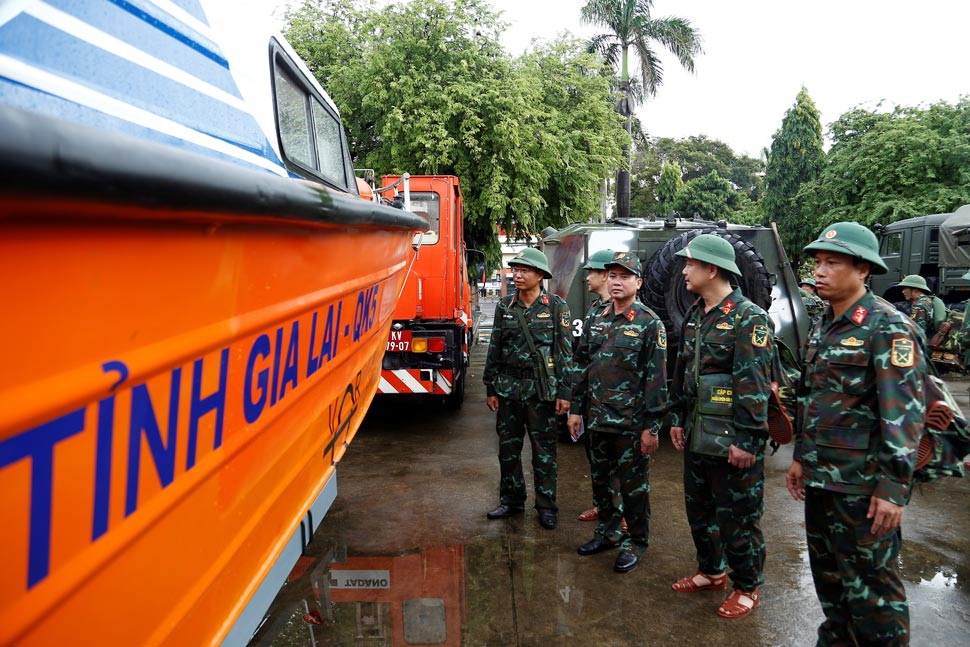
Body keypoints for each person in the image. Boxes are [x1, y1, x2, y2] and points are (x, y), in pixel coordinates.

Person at [786, 222, 925, 646]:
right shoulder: (824, 325)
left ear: (863, 269)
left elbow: (903, 417)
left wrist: (892, 488)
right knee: (832, 589)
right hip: (822, 482)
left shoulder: (888, 327)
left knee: (874, 599)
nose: (821, 271)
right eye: (818, 262)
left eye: (833, 262)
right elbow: (813, 399)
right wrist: (799, 458)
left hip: (864, 491)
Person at [666, 234, 773, 619]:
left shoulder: (749, 318)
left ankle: (747, 585)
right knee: (700, 509)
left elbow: (755, 385)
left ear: (712, 269)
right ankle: (711, 571)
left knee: (739, 516)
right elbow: (682, 372)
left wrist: (748, 440)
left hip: (733, 442)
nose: (683, 270)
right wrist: (676, 418)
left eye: (690, 264)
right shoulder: (695, 314)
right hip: (698, 432)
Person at [568, 251, 666, 573]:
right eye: (612, 275)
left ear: (638, 282)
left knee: (633, 489)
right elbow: (581, 365)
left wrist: (652, 428)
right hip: (597, 421)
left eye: (624, 276)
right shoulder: (597, 316)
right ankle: (608, 532)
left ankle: (635, 541)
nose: (616, 281)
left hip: (630, 424)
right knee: (601, 485)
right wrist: (575, 410)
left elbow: (657, 381)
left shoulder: (650, 324)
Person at [483, 247, 572, 529]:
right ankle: (511, 500)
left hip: (541, 392)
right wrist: (490, 387)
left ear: (540, 275)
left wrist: (565, 393)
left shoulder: (556, 307)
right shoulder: (504, 306)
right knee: (508, 451)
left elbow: (564, 353)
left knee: (544, 452)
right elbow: (494, 347)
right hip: (508, 390)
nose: (518, 275)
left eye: (525, 271)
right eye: (516, 270)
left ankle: (546, 505)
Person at [572, 249, 623, 527]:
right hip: (595, 403)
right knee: (598, 459)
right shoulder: (594, 311)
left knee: (622, 462)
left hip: (620, 405)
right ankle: (603, 505)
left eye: (592, 272)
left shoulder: (629, 312)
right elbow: (582, 361)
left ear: (605, 275)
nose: (587, 277)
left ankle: (622, 512)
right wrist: (576, 407)